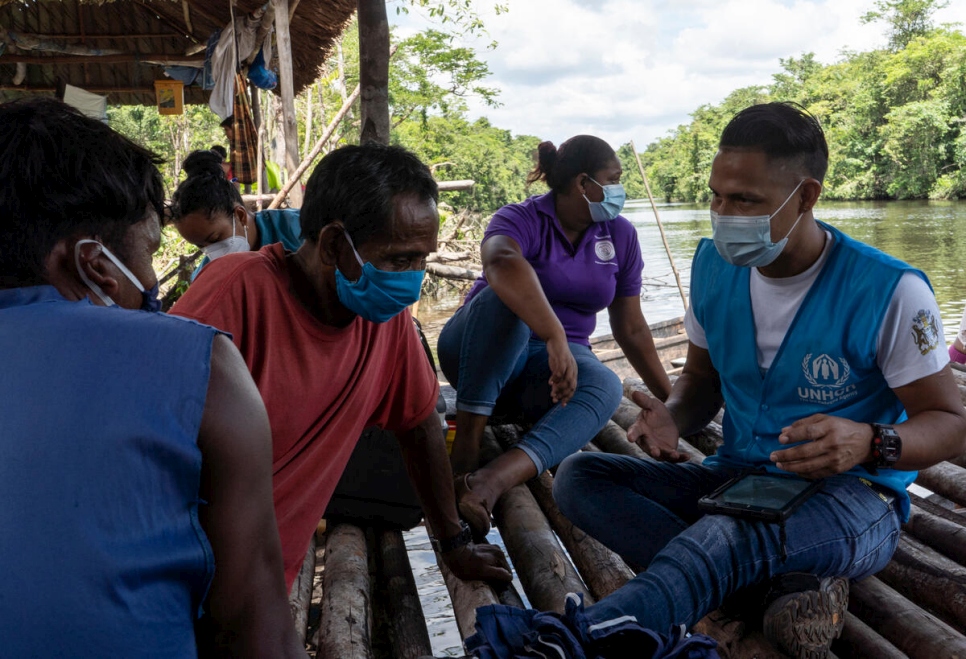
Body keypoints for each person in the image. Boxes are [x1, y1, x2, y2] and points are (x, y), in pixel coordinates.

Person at [551, 103, 966, 658]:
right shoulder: (712, 267)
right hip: (740, 481)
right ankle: (775, 587)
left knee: (726, 534)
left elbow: (949, 423)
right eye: (717, 196)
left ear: (806, 197)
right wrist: (673, 415)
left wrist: (871, 441)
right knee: (580, 478)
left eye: (746, 201)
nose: (724, 214)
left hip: (855, 497)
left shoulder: (888, 290)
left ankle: (576, 641)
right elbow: (700, 380)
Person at [0, 97, 302, 657]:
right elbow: (257, 630)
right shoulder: (199, 362)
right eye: (150, 254)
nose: (151, 280)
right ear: (94, 265)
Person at [170, 143, 513, 590]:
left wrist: (453, 543)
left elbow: (420, 422)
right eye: (399, 259)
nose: (411, 280)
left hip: (265, 577)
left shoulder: (383, 319)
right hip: (190, 575)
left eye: (422, 259)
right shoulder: (234, 295)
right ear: (333, 243)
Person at [437, 135, 672, 540]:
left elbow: (631, 328)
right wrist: (554, 334)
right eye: (612, 180)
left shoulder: (620, 235)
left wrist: (671, 402)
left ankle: (491, 480)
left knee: (605, 383)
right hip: (477, 354)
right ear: (583, 184)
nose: (619, 190)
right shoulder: (520, 218)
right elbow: (500, 261)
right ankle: (466, 451)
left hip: (547, 375)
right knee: (504, 300)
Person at [170, 149, 302, 280]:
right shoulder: (205, 278)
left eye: (215, 239)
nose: (212, 251)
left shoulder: (300, 230)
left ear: (240, 216)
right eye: (200, 246)